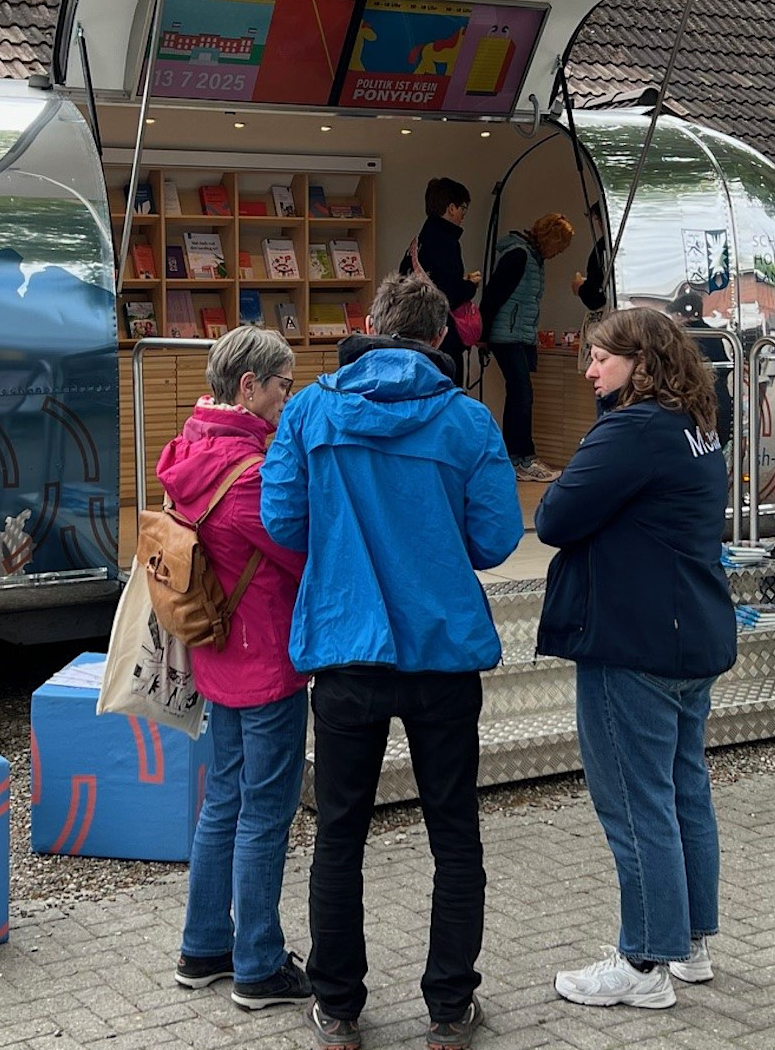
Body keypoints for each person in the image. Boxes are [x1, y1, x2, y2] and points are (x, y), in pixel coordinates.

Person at [262, 273, 522, 1050]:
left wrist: (344, 549)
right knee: (454, 830)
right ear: (441, 338)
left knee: (340, 831)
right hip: (441, 652)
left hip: (347, 646)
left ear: (368, 323)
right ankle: (449, 1008)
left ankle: (339, 1008)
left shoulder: (311, 407)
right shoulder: (469, 422)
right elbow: (495, 540)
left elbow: (281, 516)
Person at [535, 309, 736, 1010]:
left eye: (599, 359)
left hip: (634, 639)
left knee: (634, 800)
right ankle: (690, 942)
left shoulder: (632, 430)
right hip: (688, 632)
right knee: (684, 791)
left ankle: (644, 962)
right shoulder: (696, 425)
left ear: (641, 364)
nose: (589, 372)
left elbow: (554, 518)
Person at [155, 326, 311, 1010]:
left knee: (223, 799)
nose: (288, 397)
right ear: (249, 387)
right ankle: (258, 964)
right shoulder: (249, 476)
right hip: (265, 659)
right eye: (282, 385)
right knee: (264, 812)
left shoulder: (193, 445)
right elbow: (302, 556)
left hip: (218, 651)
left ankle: (203, 947)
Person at [481, 212, 577, 482]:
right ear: (551, 239)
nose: (559, 252)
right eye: (561, 245)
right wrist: (482, 334)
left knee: (520, 394)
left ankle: (519, 457)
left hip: (519, 336)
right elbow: (493, 295)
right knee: (522, 394)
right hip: (506, 336)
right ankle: (522, 458)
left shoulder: (533, 258)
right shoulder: (519, 255)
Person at [398, 177, 483, 387]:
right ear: (451, 208)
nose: (464, 214)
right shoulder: (446, 242)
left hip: (414, 332)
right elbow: (450, 294)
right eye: (463, 207)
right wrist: (470, 285)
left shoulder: (418, 242)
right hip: (441, 335)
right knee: (448, 395)